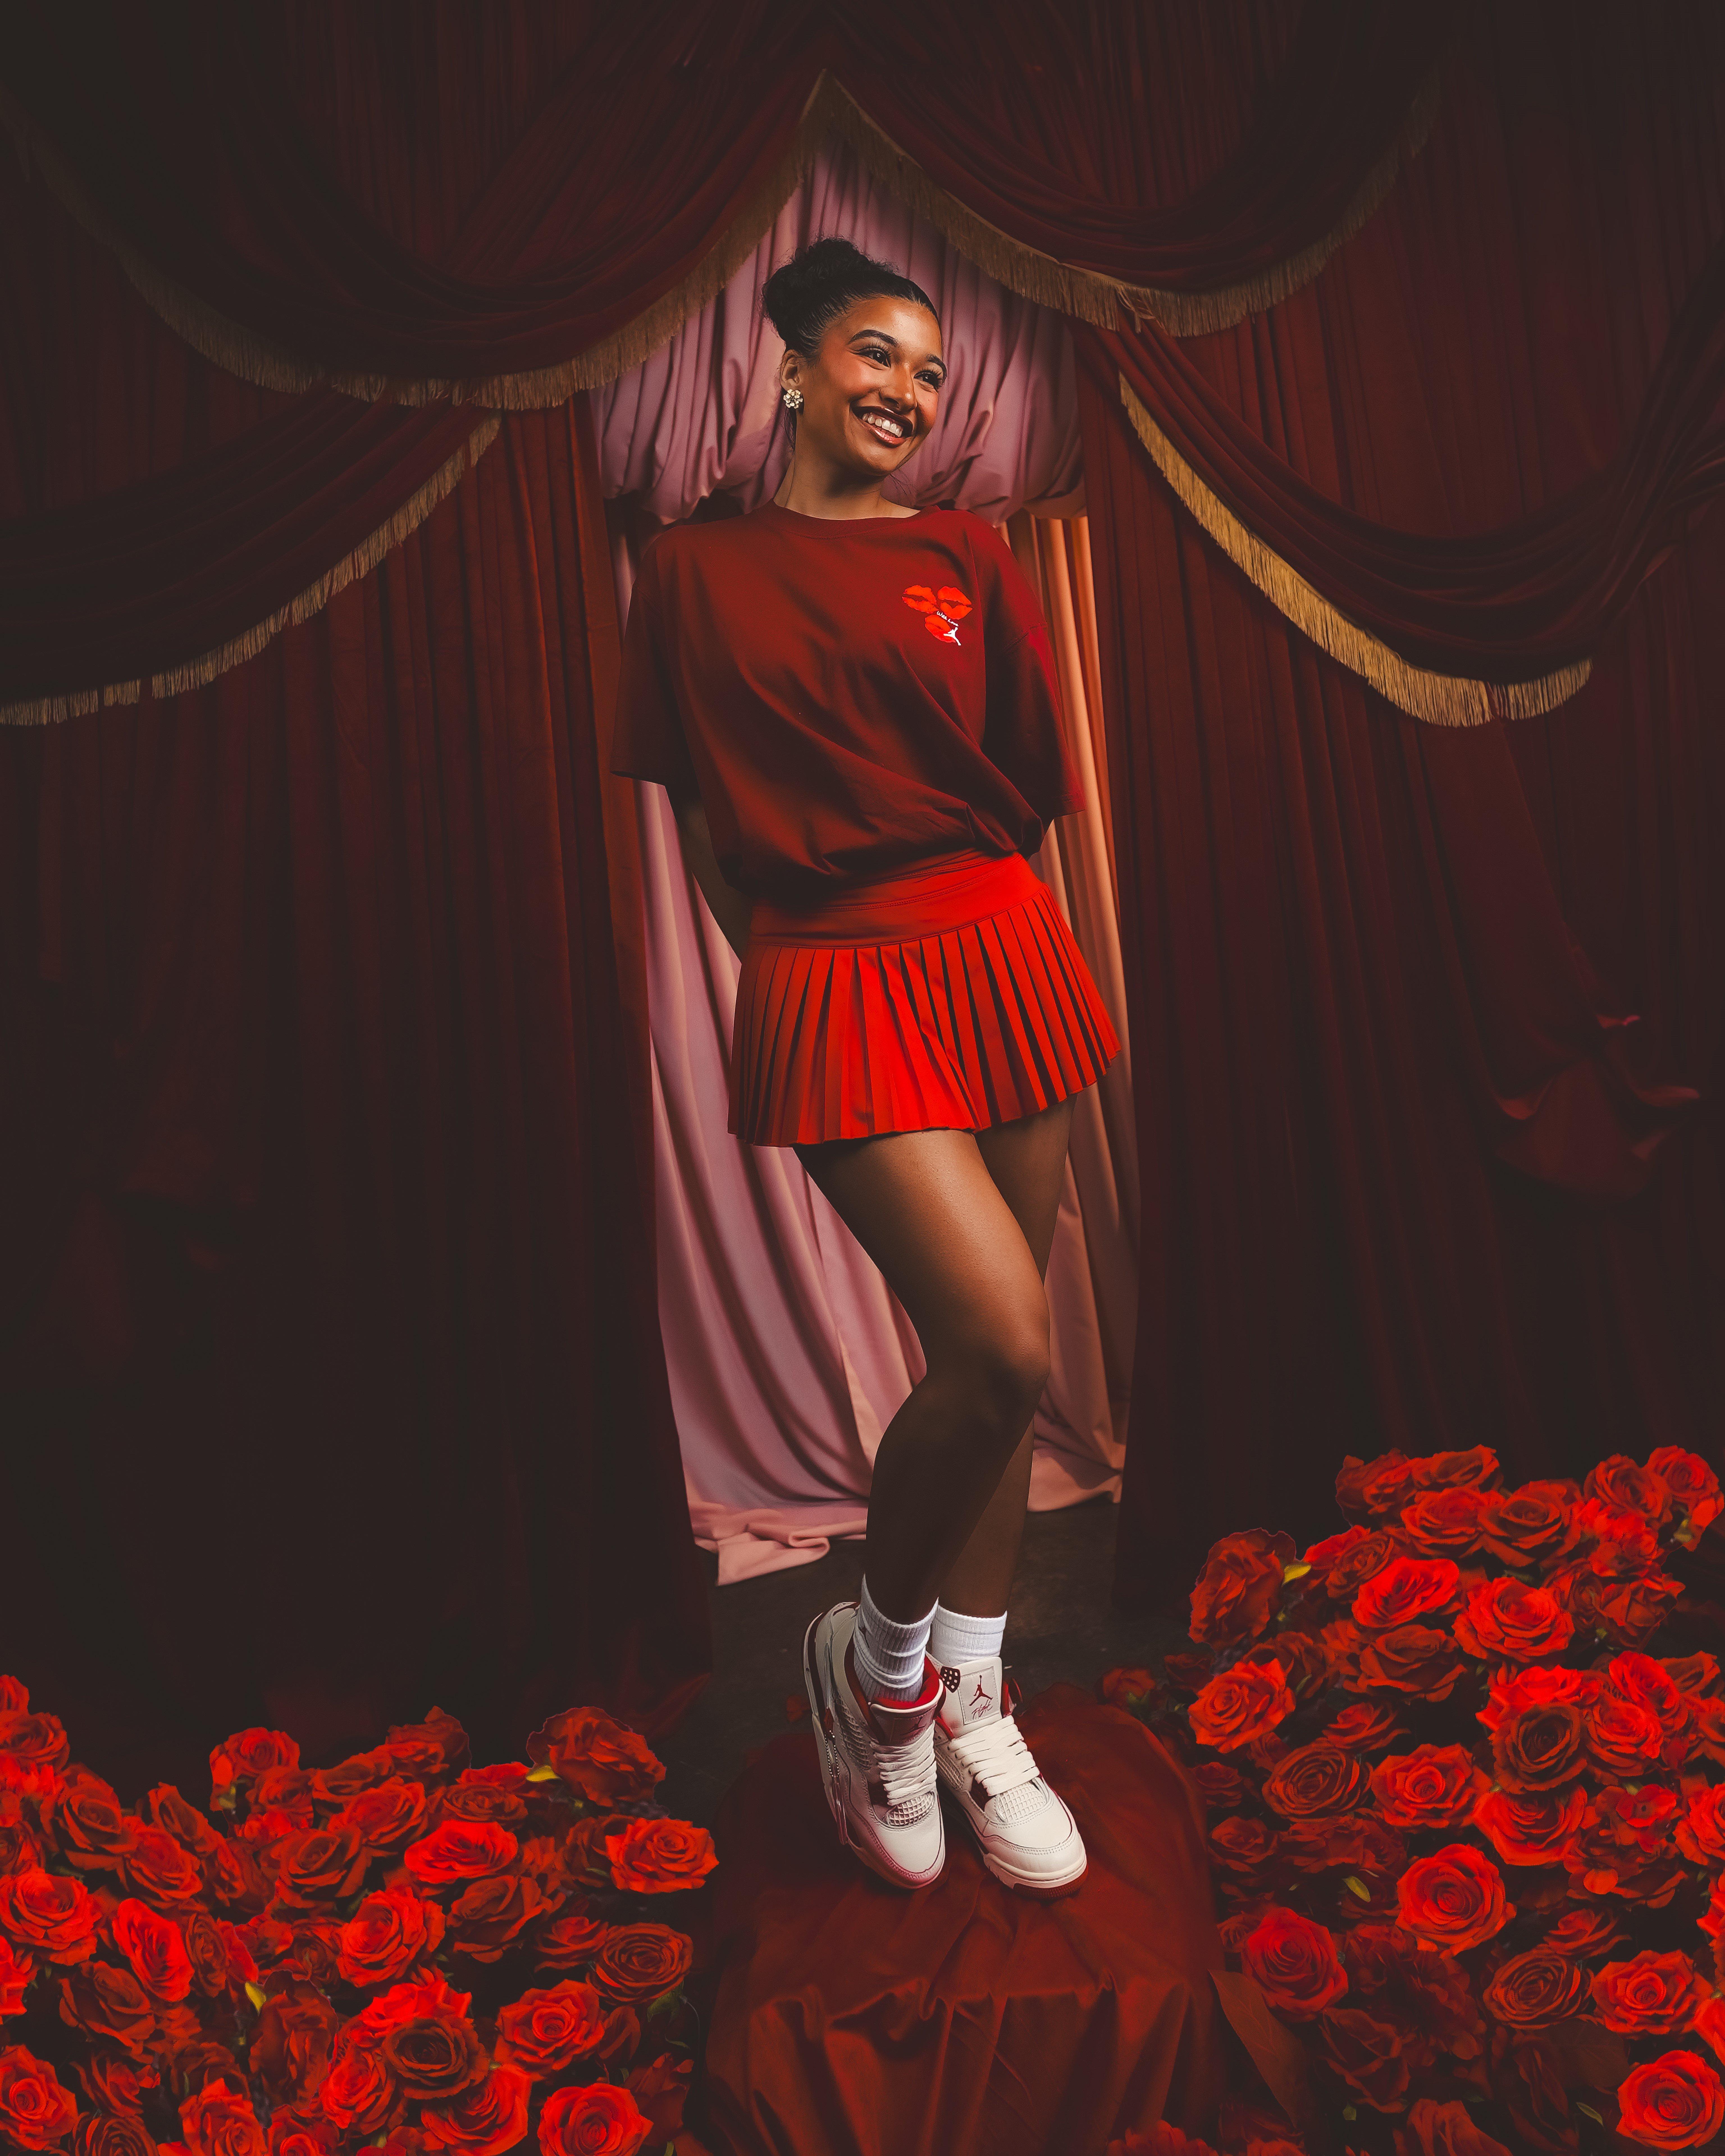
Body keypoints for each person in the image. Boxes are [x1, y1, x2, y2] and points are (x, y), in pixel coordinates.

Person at [611, 237, 1119, 1899]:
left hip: (1001, 947)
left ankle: (969, 1703)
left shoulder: (967, 548)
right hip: (833, 967)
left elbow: (1025, 781)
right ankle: (874, 1668)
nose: (907, 393)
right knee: (995, 1330)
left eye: (929, 373)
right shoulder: (688, 574)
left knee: (1003, 1379)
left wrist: (961, 921)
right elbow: (699, 825)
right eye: (877, 358)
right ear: (793, 366)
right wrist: (804, 972)